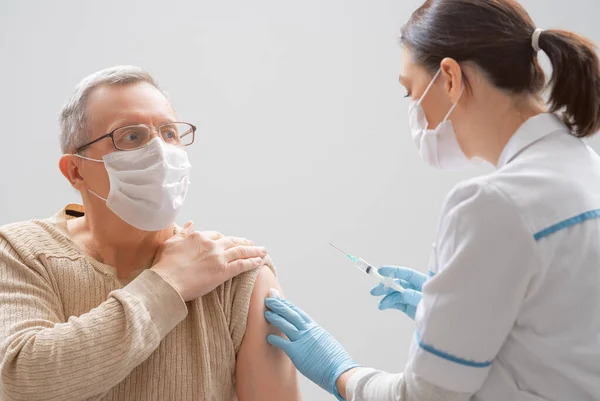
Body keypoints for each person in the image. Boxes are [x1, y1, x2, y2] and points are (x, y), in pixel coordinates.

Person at [264, 1, 600, 400]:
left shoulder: (493, 205)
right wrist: (457, 315)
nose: (413, 109)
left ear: (451, 78)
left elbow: (424, 397)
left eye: (411, 91)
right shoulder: (586, 170)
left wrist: (341, 372)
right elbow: (558, 341)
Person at [0, 66, 300, 401]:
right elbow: (21, 380)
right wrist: (166, 284)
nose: (161, 152)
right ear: (75, 171)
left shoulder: (238, 277)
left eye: (170, 133)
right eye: (131, 136)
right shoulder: (20, 252)